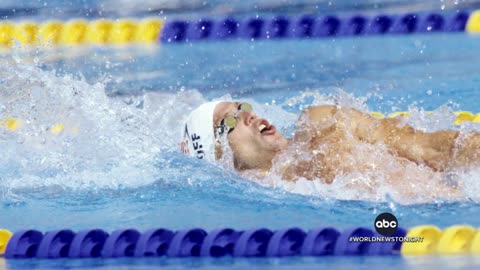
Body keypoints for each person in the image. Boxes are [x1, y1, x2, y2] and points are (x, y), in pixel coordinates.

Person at [180, 100, 480, 200]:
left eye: (242, 106)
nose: (249, 114)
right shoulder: (271, 195)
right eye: (229, 121)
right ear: (219, 155)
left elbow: (431, 148)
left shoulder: (324, 122)